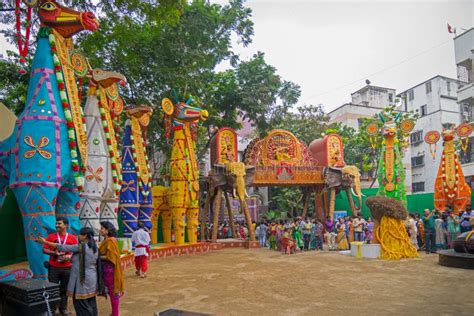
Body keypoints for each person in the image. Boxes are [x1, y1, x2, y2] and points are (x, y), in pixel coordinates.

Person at [38, 227, 98, 316]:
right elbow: (83, 260)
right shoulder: (94, 246)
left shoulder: (81, 246)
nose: (78, 236)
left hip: (82, 279)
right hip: (91, 279)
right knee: (91, 303)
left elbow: (62, 247)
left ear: (85, 236)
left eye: (80, 234)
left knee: (81, 304)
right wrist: (69, 259)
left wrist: (45, 242)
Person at [43, 217, 78, 316]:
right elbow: (44, 250)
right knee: (52, 289)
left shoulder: (72, 238)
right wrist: (54, 252)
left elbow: (76, 250)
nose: (57, 225)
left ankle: (63, 309)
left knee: (65, 289)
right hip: (53, 267)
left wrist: (69, 256)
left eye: (59, 223)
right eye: (56, 223)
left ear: (66, 225)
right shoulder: (51, 237)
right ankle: (52, 310)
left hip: (67, 267)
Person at [99, 222, 124, 316]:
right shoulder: (107, 240)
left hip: (109, 270)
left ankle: (115, 314)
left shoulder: (110, 241)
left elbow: (111, 257)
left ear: (107, 230)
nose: (100, 230)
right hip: (106, 269)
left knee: (113, 293)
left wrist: (97, 257)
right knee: (112, 293)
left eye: (102, 228)